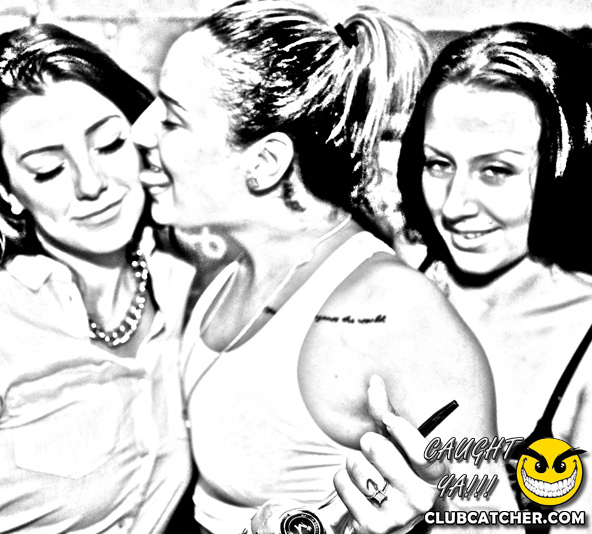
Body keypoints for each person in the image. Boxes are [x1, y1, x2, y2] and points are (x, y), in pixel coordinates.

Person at [132, 1, 520, 532]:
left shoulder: (393, 310)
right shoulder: (228, 277)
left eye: (173, 118)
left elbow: (489, 520)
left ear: (265, 163)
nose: (141, 132)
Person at [0, 24, 196, 533]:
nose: (92, 184)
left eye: (109, 144)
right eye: (48, 169)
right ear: (6, 190)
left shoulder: (188, 280)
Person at [397, 22, 592, 526]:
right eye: (439, 164)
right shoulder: (399, 284)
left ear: (565, 169)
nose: (454, 206)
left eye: (496, 170)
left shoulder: (585, 343)